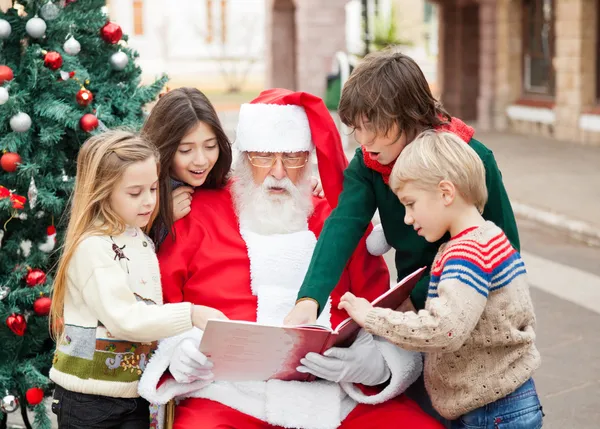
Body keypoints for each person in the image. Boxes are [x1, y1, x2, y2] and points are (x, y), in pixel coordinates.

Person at [138, 89, 442, 429]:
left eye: (293, 158)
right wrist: (180, 352)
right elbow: (157, 305)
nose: (279, 173)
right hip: (231, 396)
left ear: (308, 160)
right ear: (243, 157)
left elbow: (385, 309)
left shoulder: (338, 222)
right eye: (264, 157)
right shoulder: (195, 212)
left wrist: (376, 365)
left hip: (337, 397)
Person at [284, 49, 520, 325]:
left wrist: (415, 299)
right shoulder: (370, 161)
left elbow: (505, 248)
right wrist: (309, 298)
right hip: (411, 305)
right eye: (356, 127)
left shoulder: (471, 159)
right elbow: (343, 224)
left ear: (409, 115)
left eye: (372, 125)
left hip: (473, 307)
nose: (364, 140)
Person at [338, 131, 543, 428]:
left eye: (411, 203)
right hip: (508, 403)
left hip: (491, 413)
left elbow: (444, 330)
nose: (408, 218)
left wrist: (372, 317)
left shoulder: (467, 255)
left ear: (446, 193)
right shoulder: (490, 238)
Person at [48, 130, 226, 429]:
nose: (148, 201)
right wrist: (191, 314)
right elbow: (125, 319)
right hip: (89, 400)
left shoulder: (135, 236)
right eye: (135, 193)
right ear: (103, 191)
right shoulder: (94, 247)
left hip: (129, 394)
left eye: (154, 189)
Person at [140, 87, 323, 247]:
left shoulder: (217, 177)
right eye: (186, 150)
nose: (201, 160)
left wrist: (297, 181)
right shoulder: (142, 186)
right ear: (164, 149)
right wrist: (162, 219)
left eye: (210, 146)